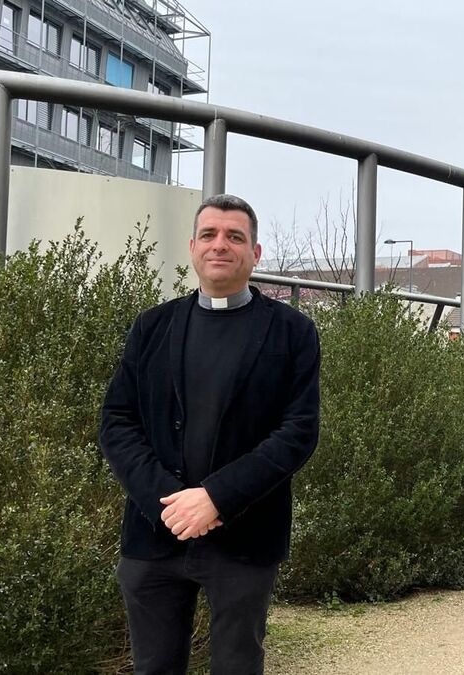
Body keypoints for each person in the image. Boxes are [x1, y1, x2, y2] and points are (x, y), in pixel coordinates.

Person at [99, 194, 321, 675]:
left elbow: (298, 432)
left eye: (234, 237)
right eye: (209, 235)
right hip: (154, 535)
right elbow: (117, 420)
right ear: (193, 247)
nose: (220, 245)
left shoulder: (293, 333)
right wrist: (170, 502)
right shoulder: (151, 327)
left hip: (245, 538)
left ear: (255, 253)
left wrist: (216, 498)